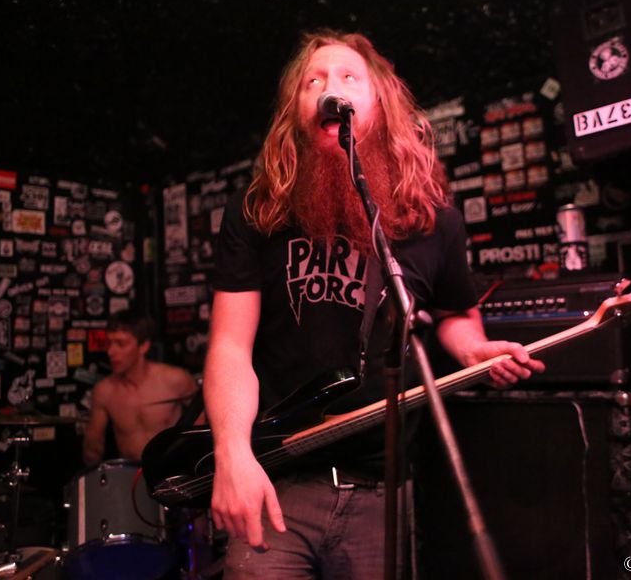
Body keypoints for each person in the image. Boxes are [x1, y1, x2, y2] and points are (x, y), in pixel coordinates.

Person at [204, 29, 545, 578]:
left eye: (348, 77)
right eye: (313, 81)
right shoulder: (256, 212)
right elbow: (229, 346)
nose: (330, 89)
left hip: (382, 490)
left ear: (380, 103)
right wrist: (232, 454)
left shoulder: (434, 220)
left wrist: (473, 349)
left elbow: (455, 313)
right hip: (277, 479)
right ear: (295, 110)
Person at [83, 311, 196, 465]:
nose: (110, 352)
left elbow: (203, 427)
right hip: (131, 474)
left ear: (143, 346)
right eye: (109, 343)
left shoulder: (176, 379)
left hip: (174, 472)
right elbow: (93, 450)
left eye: (120, 344)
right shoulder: (104, 391)